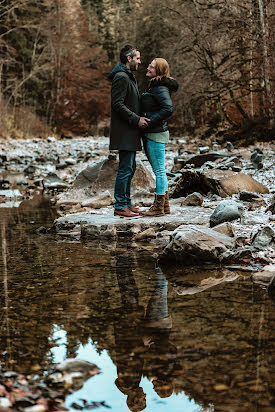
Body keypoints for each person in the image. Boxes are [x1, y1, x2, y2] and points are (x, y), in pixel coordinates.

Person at [109, 44, 150, 218]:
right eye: (137, 58)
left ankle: (127, 203)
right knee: (126, 168)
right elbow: (117, 104)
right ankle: (120, 205)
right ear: (129, 58)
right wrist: (136, 119)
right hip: (124, 130)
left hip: (130, 131)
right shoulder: (121, 77)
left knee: (130, 167)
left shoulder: (128, 76)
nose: (140, 62)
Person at [140, 58, 178, 216]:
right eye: (149, 65)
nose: (148, 68)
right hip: (154, 132)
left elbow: (168, 108)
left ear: (159, 71)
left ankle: (157, 208)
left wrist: (149, 121)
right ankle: (165, 206)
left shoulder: (160, 87)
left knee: (159, 171)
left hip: (155, 133)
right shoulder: (155, 85)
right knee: (160, 170)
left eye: (152, 67)